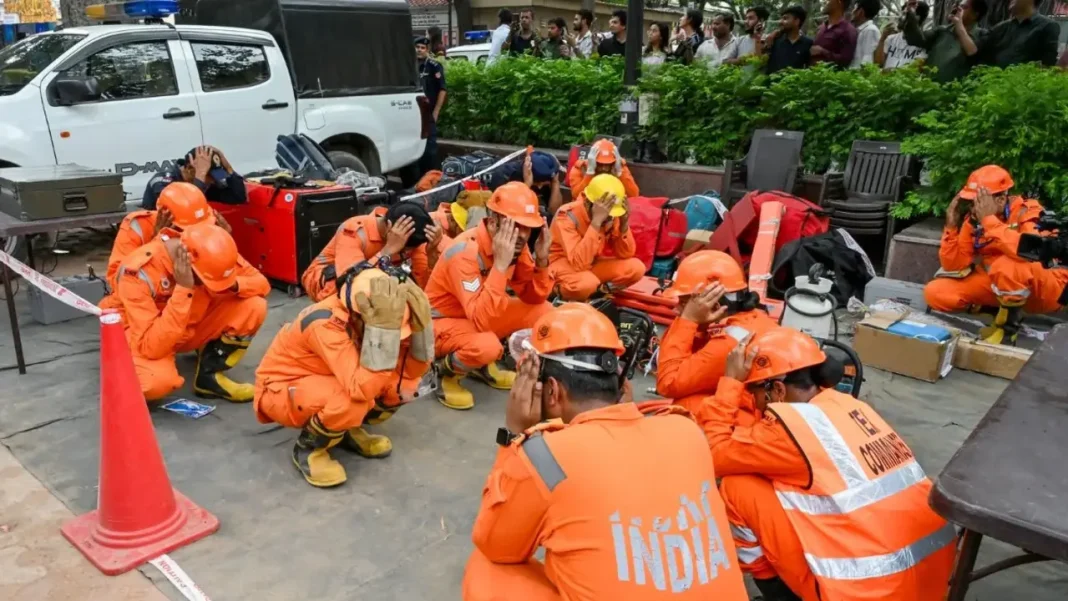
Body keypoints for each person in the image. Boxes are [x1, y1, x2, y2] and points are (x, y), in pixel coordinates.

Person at [462, 302, 749, 601]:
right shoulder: (686, 429)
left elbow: (495, 544)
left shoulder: (545, 456)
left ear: (552, 391)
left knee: (486, 571)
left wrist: (515, 437)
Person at [696, 327, 957, 601]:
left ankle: (779, 594)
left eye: (755, 393)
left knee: (738, 486)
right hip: (931, 580)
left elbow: (714, 454)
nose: (756, 403)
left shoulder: (789, 430)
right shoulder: (848, 405)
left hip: (864, 590)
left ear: (778, 389)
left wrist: (729, 383)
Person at [254, 268, 433, 487]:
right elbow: (360, 388)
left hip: (332, 377)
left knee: (403, 387)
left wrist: (423, 333)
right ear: (360, 315)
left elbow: (408, 373)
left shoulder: (371, 316)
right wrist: (383, 336)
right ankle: (309, 449)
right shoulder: (324, 323)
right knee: (351, 400)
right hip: (280, 388)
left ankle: (347, 429)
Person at [426, 182, 553, 410]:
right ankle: (445, 374)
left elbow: (534, 297)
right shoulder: (465, 253)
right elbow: (481, 319)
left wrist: (542, 262)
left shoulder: (515, 244)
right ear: (493, 220)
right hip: (437, 326)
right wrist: (501, 267)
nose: (522, 234)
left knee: (545, 313)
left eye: (528, 227)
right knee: (488, 346)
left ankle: (480, 366)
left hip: (473, 317)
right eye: (515, 224)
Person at [114, 223, 269, 403]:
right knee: (155, 384)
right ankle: (123, 363)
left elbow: (262, 284)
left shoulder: (212, 250)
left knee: (254, 306)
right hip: (149, 339)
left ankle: (208, 377)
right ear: (187, 261)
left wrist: (229, 283)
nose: (207, 286)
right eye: (204, 281)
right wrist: (183, 288)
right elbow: (152, 347)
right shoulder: (138, 272)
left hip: (188, 328)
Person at [923, 165, 1063, 345]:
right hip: (1002, 286)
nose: (974, 206)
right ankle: (1004, 314)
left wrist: (990, 222)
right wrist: (951, 227)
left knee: (1006, 266)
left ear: (1001, 198)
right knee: (936, 292)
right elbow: (954, 265)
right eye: (972, 201)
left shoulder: (1028, 212)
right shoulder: (975, 219)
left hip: (1046, 287)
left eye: (979, 200)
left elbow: (1031, 252)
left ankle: (1007, 332)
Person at [656, 250, 779, 415]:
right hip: (759, 405)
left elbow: (668, 383)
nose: (677, 308)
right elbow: (697, 364)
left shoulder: (729, 343)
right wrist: (699, 327)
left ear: (713, 302)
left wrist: (688, 320)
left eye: (685, 302)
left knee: (683, 407)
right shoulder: (756, 319)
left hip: (755, 416)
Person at [103, 182, 222, 299]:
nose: (193, 234)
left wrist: (222, 242)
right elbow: (116, 281)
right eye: (184, 229)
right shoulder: (137, 226)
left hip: (190, 299)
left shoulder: (203, 221)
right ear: (165, 215)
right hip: (150, 301)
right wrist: (156, 242)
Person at [301, 202, 439, 302]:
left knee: (408, 291)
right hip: (329, 281)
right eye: (405, 248)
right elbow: (350, 283)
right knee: (353, 294)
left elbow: (423, 289)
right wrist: (387, 251)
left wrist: (432, 254)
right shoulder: (354, 230)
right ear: (388, 227)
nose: (407, 251)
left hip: (373, 277)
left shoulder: (412, 236)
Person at [549, 174, 645, 302]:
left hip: (589, 265)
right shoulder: (567, 215)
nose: (610, 217)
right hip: (561, 265)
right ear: (589, 204)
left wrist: (624, 225)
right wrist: (596, 223)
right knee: (586, 284)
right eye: (607, 213)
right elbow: (579, 264)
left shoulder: (610, 213)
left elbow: (626, 253)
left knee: (636, 268)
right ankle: (554, 292)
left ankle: (599, 293)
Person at [903, 0, 987, 82]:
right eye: (959, 6)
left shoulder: (982, 35)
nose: (958, 9)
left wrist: (959, 24)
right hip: (928, 90)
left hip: (958, 93)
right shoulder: (941, 30)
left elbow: (973, 53)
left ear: (975, 15)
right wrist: (911, 14)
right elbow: (914, 40)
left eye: (963, 7)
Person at [141, 145, 246, 210]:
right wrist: (200, 175)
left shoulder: (207, 181)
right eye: (209, 176)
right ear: (190, 169)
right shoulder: (162, 182)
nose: (214, 181)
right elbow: (185, 209)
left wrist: (228, 168)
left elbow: (238, 197)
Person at [960, 0, 1059, 67]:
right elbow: (975, 51)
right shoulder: (1001, 27)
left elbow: (1047, 66)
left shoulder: (1047, 26)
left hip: (1023, 91)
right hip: (993, 89)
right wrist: (958, 24)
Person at [567, 139, 640, 200]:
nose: (604, 168)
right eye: (600, 164)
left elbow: (634, 195)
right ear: (593, 160)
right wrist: (590, 172)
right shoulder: (580, 168)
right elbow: (576, 195)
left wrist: (619, 171)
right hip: (586, 209)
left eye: (607, 164)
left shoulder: (619, 167)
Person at [416, 36, 447, 175]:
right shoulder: (410, 66)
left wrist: (436, 112)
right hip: (414, 113)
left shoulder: (434, 66)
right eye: (417, 47)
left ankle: (432, 178)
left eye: (423, 48)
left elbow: (442, 90)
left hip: (428, 113)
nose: (419, 50)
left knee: (430, 150)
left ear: (427, 50)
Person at [876, 0, 929, 69]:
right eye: (902, 13)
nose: (900, 18)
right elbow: (878, 64)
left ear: (916, 18)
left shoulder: (924, 45)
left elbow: (915, 70)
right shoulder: (891, 39)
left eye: (905, 14)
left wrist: (889, 72)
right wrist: (882, 39)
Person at [764, 5, 813, 74]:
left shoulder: (808, 43)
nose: (780, 22)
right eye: (781, 19)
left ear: (797, 21)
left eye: (785, 18)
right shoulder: (774, 40)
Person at [811, 0, 857, 69]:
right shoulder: (822, 27)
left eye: (828, 0)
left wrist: (823, 51)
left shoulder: (848, 30)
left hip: (830, 78)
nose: (824, 2)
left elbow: (845, 60)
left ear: (839, 2)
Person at [849, 0, 881, 68]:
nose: (852, 11)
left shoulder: (870, 30)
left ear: (861, 12)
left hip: (859, 76)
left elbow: (868, 61)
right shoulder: (861, 30)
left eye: (854, 8)